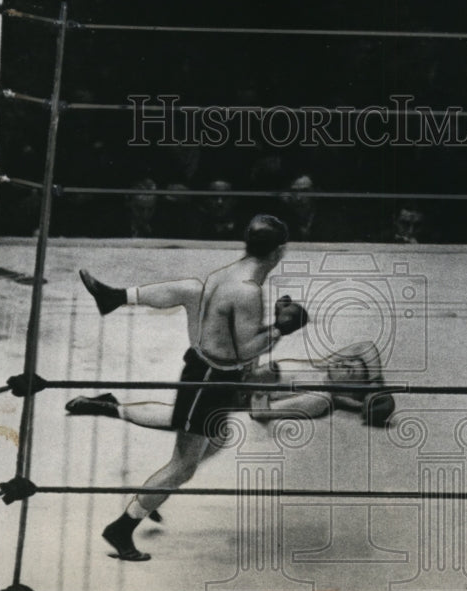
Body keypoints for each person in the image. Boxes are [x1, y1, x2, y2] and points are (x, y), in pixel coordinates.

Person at [65, 215, 309, 560]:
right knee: (183, 464)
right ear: (280, 250)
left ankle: (116, 303)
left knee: (217, 438)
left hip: (213, 374)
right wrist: (281, 329)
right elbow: (244, 349)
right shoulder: (247, 290)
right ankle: (123, 527)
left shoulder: (231, 273)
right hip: (211, 379)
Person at [246, 340, 395, 426]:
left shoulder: (319, 399)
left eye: (349, 370)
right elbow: (365, 347)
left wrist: (258, 385)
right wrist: (376, 383)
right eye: (349, 360)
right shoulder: (321, 366)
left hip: (237, 388)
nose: (342, 362)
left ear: (349, 391)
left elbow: (261, 411)